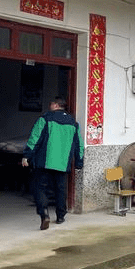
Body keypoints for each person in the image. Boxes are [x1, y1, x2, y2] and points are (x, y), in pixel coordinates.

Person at [21, 96, 84, 230]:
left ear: (56, 105)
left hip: (44, 162)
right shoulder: (73, 123)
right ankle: (60, 216)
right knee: (60, 189)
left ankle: (44, 214)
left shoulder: (45, 119)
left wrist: (27, 156)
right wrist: (79, 163)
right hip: (62, 163)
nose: (50, 106)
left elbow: (34, 138)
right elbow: (79, 145)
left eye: (51, 104)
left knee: (40, 188)